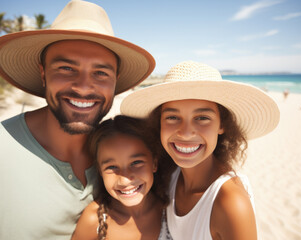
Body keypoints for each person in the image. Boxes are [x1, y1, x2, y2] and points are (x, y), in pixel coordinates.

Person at [0, 1, 155, 239]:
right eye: (66, 68)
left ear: (115, 81)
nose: (84, 87)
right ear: (43, 73)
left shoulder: (132, 151)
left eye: (101, 72)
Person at [120, 61, 280, 239]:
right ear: (159, 123)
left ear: (222, 125)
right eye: (172, 117)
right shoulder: (170, 175)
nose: (186, 133)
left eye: (202, 117)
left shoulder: (231, 203)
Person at [71, 115, 175, 240]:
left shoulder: (171, 209)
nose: (125, 179)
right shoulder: (94, 221)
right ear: (100, 171)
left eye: (136, 163)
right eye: (111, 167)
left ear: (154, 163)